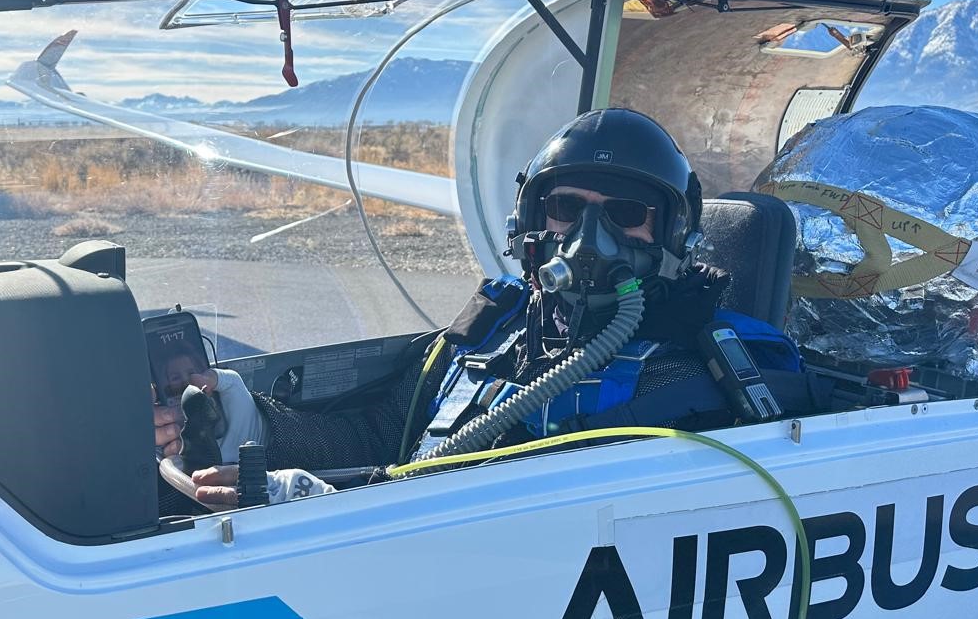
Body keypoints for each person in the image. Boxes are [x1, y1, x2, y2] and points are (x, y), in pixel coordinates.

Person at [154, 108, 800, 507]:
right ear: (531, 221)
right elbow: (385, 439)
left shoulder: (714, 377)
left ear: (674, 238)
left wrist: (345, 507)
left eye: (627, 216)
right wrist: (257, 429)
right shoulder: (491, 330)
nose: (586, 239)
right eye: (567, 209)